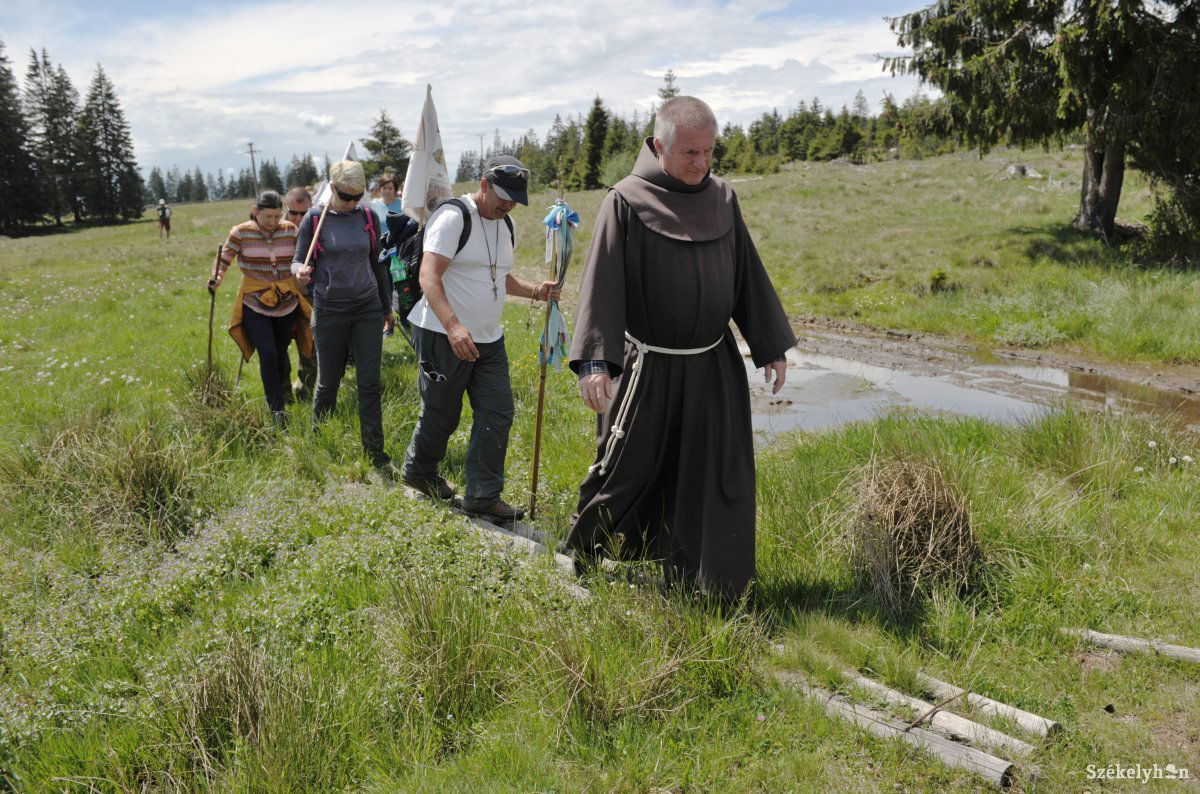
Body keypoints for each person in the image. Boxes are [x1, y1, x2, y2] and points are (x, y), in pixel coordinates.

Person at [564, 96, 797, 597]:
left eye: (709, 152)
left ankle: (713, 580)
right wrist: (596, 364)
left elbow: (747, 279)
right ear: (657, 145)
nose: (701, 163)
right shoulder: (625, 201)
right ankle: (583, 552)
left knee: (716, 472)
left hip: (711, 365)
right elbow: (601, 284)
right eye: (690, 152)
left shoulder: (723, 199)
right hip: (648, 367)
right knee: (626, 465)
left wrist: (770, 345)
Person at [402, 155, 559, 521]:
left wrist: (536, 290)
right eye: (503, 196)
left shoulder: (506, 225)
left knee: (498, 412)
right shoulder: (453, 217)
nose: (508, 206)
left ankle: (483, 495)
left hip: (489, 339)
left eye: (515, 200)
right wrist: (454, 326)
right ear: (484, 185)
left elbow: (498, 277)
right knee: (442, 414)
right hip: (443, 334)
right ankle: (419, 473)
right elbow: (429, 276)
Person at [291, 160, 395, 471]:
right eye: (346, 196)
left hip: (366, 308)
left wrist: (385, 305)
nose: (352, 203)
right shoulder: (313, 220)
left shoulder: (367, 216)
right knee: (328, 382)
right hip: (329, 310)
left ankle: (376, 453)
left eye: (357, 196)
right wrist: (301, 272)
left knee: (370, 382)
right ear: (332, 188)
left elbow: (378, 264)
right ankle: (319, 441)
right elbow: (297, 262)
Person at [210, 190, 310, 425]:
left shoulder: (290, 230)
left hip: (286, 301)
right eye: (268, 217)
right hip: (254, 302)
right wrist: (216, 278)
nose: (273, 222)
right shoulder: (240, 232)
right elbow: (224, 259)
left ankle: (283, 394)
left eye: (277, 216)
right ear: (256, 212)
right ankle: (276, 410)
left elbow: (302, 257)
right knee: (267, 354)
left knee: (280, 351)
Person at [284, 186, 318, 400]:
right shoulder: (275, 229)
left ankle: (305, 388)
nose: (297, 218)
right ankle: (283, 390)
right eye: (293, 213)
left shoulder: (317, 229)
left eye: (302, 213)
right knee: (279, 346)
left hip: (309, 295)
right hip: (279, 298)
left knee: (310, 345)